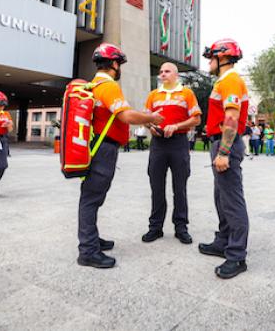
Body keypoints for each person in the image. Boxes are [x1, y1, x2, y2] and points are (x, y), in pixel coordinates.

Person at [77, 43, 163, 269]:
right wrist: (151, 118)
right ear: (114, 64)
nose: (120, 67)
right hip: (103, 149)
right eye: (119, 63)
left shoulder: (92, 85)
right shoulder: (108, 86)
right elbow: (125, 116)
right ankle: (87, 250)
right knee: (91, 198)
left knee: (92, 197)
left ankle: (91, 239)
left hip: (95, 146)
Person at [198, 39, 250, 279]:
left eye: (211, 57)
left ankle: (237, 256)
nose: (208, 61)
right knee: (221, 197)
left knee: (232, 200)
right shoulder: (223, 81)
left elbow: (231, 117)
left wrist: (224, 152)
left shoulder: (230, 80)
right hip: (219, 141)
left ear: (223, 58)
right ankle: (223, 241)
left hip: (225, 143)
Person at [142, 62, 202, 245]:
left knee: (180, 188)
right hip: (158, 144)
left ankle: (181, 227)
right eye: (161, 71)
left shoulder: (187, 93)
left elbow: (197, 119)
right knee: (156, 187)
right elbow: (145, 118)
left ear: (176, 75)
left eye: (167, 71)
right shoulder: (153, 94)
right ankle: (155, 227)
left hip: (179, 143)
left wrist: (176, 126)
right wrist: (150, 126)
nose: (162, 74)